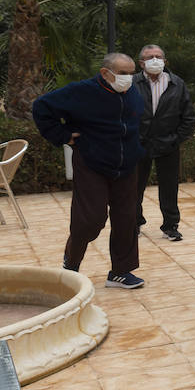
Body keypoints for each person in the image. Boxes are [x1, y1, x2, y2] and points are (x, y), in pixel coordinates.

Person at [31, 52, 147, 289]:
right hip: (92, 163)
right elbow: (41, 107)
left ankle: (121, 272)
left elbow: (136, 121)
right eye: (123, 74)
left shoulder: (133, 92)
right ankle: (71, 263)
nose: (128, 78)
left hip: (127, 165)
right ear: (106, 73)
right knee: (90, 219)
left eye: (131, 73)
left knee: (127, 220)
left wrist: (137, 146)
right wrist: (63, 136)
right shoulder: (82, 91)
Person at [133, 44, 195, 242]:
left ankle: (171, 226)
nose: (154, 60)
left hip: (168, 144)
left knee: (169, 188)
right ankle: (134, 223)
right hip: (138, 144)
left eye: (158, 56)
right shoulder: (132, 83)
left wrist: (176, 139)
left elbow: (188, 116)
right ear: (141, 62)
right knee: (134, 187)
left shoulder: (177, 84)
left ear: (165, 61)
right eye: (149, 56)